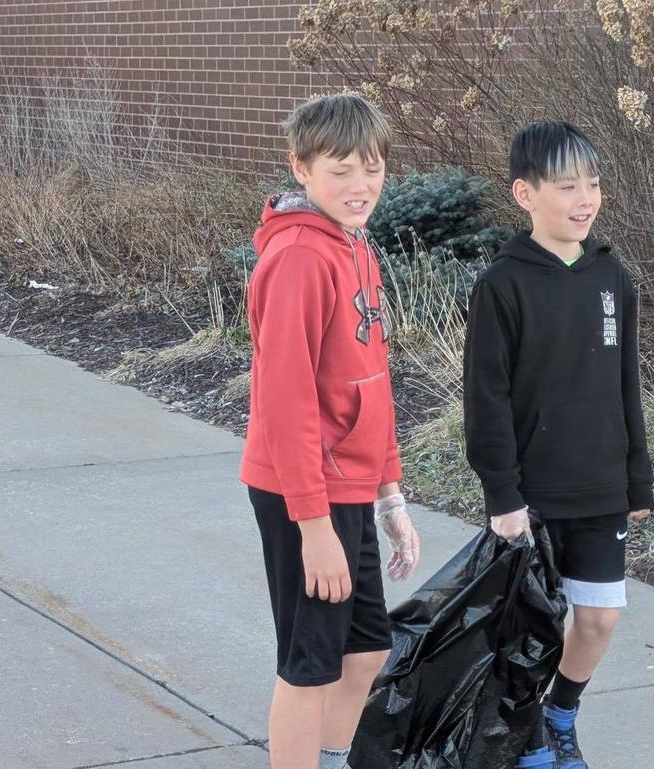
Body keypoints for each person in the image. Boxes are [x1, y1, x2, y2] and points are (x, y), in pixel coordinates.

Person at [463, 121, 654, 769]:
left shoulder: (612, 277)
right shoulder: (502, 286)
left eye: (593, 184)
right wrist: (503, 495)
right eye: (568, 184)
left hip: (600, 486)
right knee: (531, 629)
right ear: (525, 194)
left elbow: (625, 383)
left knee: (599, 618)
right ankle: (528, 738)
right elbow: (485, 401)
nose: (585, 197)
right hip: (533, 496)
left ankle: (560, 713)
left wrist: (638, 479)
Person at [240, 93, 420, 769]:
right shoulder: (297, 260)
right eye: (340, 169)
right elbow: (283, 405)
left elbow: (371, 379)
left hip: (348, 485)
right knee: (310, 663)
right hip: (301, 490)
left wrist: (391, 493)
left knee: (367, 646)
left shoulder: (355, 248)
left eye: (370, 167)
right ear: (301, 169)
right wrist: (312, 524)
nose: (359, 184)